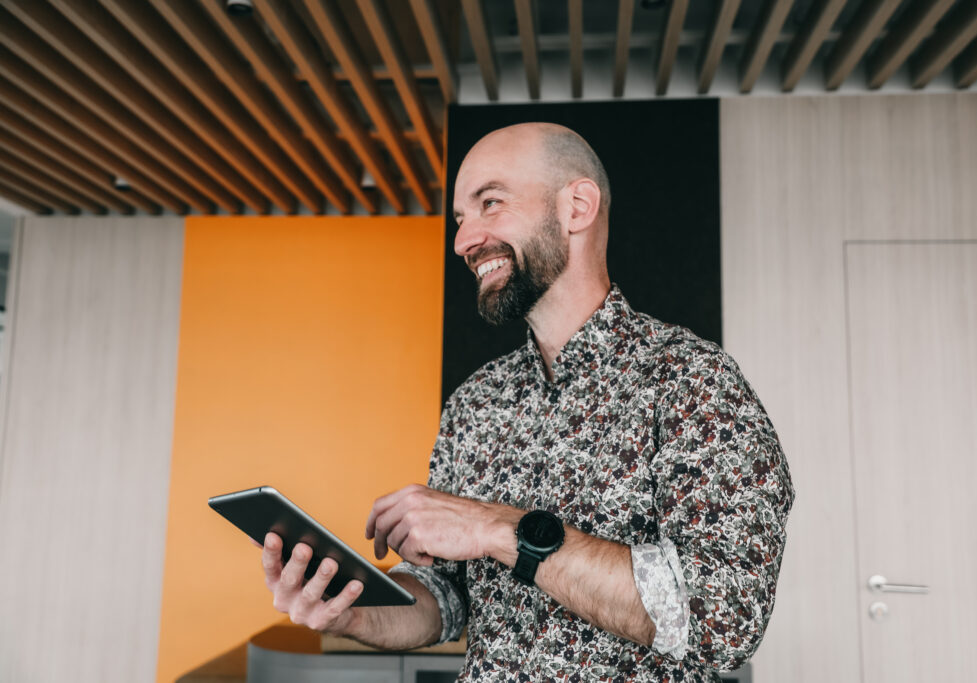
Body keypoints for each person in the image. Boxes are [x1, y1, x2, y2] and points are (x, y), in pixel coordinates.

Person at [260, 122, 795, 681]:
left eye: (490, 203)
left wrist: (500, 529)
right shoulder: (475, 402)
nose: (464, 242)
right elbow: (449, 602)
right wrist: (349, 611)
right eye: (461, 219)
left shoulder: (693, 381)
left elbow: (723, 618)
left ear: (577, 207)